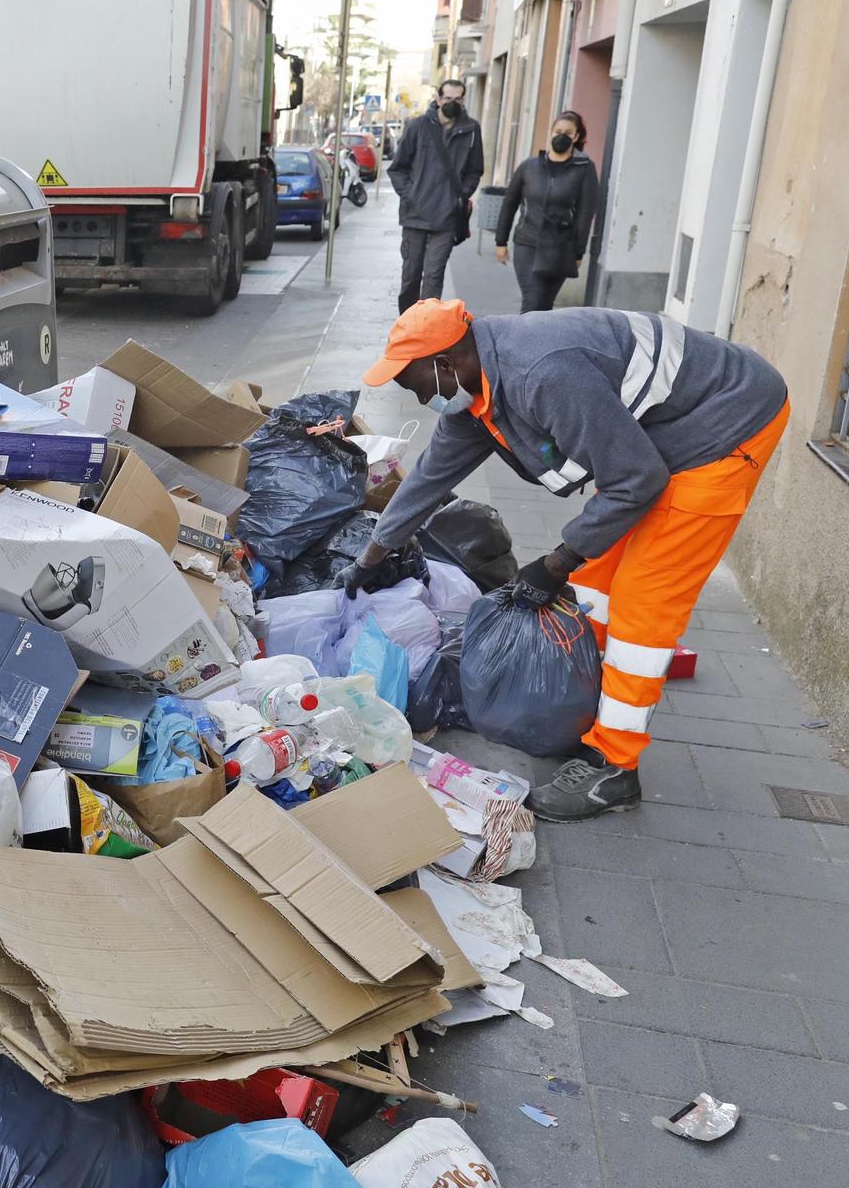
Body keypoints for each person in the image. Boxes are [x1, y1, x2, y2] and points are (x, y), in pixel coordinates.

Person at [335, 299, 789, 822]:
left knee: (644, 599)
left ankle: (615, 766)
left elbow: (635, 480)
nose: (420, 400)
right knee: (595, 582)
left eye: (418, 387)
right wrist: (371, 557)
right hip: (665, 438)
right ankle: (580, 715)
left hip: (727, 424)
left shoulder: (542, 372)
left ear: (448, 361)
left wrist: (554, 563)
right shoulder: (478, 390)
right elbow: (426, 480)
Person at [386, 79, 484, 316]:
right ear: (438, 99)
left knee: (433, 276)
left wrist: (460, 196)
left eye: (458, 99)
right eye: (448, 98)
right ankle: (407, 325)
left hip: (447, 217)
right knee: (410, 277)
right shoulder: (418, 126)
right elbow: (397, 168)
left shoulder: (471, 129)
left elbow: (475, 170)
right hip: (415, 215)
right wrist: (411, 195)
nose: (453, 103)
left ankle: (425, 330)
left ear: (464, 100)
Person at [494, 111, 602, 313]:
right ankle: (522, 343)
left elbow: (585, 213)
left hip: (560, 248)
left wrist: (579, 250)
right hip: (527, 243)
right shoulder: (529, 167)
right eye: (558, 131)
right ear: (551, 133)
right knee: (533, 301)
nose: (562, 136)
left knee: (544, 306)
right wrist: (501, 241)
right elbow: (509, 203)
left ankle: (538, 343)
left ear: (577, 136)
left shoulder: (584, 169)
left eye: (568, 133)